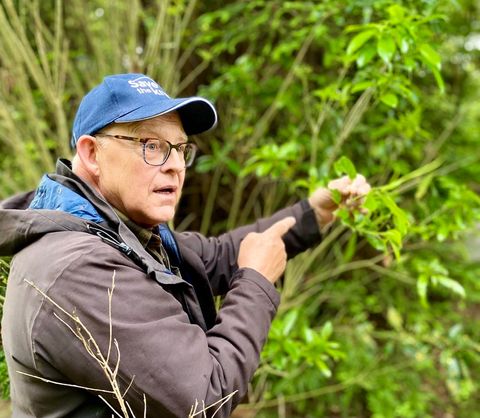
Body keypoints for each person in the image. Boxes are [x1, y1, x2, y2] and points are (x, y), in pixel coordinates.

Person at [0, 73, 370, 418]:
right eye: (152, 146)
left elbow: (220, 255)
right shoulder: (81, 268)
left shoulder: (116, 232)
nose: (176, 165)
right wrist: (256, 283)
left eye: (180, 148)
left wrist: (314, 214)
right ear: (93, 153)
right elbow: (206, 396)